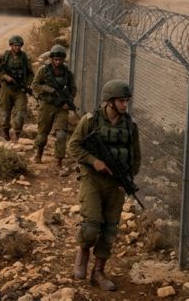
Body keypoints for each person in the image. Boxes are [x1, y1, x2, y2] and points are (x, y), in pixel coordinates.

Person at [67, 80, 141, 292]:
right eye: (121, 101)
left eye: (126, 101)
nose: (125, 105)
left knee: (109, 230)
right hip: (92, 179)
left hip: (116, 183)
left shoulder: (130, 126)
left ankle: (98, 272)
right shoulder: (90, 120)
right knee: (91, 225)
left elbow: (136, 158)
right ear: (109, 101)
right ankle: (83, 252)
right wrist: (93, 161)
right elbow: (74, 146)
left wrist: (128, 180)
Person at [30, 45, 78, 176]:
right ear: (51, 58)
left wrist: (68, 101)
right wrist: (48, 89)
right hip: (46, 105)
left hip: (61, 108)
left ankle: (59, 163)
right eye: (56, 59)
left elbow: (73, 89)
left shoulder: (67, 73)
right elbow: (35, 85)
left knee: (61, 135)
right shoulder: (43, 70)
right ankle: (39, 153)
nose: (58, 62)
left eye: (60, 60)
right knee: (42, 133)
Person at [0, 35, 33, 141]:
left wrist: (27, 85)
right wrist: (5, 77)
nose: (17, 47)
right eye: (15, 45)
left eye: (19, 45)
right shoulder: (4, 56)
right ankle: (5, 132)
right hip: (7, 88)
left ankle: (17, 134)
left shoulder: (24, 58)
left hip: (20, 89)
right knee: (5, 112)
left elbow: (31, 74)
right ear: (11, 45)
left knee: (21, 112)